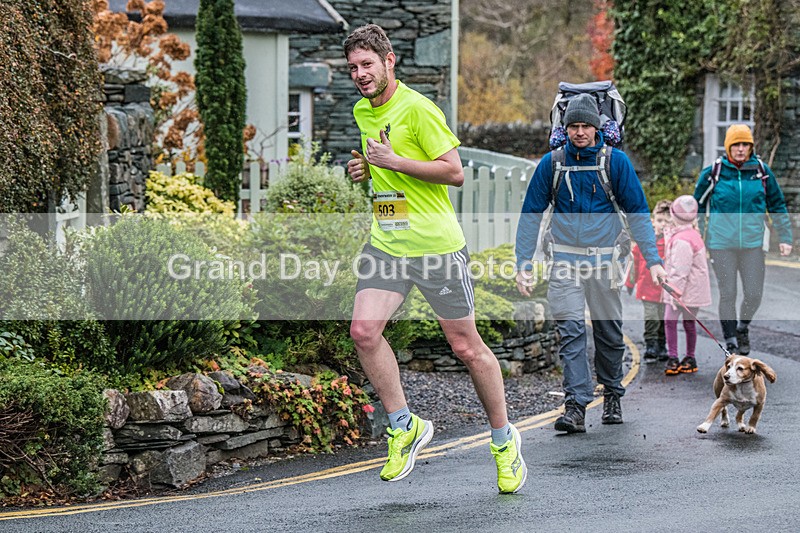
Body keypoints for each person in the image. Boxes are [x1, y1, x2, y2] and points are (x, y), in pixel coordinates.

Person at [344, 24, 526, 493]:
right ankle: (403, 425)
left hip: (435, 247)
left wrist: (393, 163)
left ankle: (504, 441)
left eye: (367, 64)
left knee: (467, 348)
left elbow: (454, 172)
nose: (360, 75)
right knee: (363, 332)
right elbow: (384, 165)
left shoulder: (420, 109)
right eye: (353, 68)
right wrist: (366, 169)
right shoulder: (363, 111)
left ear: (389, 62)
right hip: (387, 240)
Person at [515, 93, 667, 434]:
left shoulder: (616, 163)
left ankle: (612, 393)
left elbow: (639, 213)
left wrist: (653, 261)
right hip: (564, 262)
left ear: (597, 127)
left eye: (586, 126)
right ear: (564, 128)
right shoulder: (551, 164)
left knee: (608, 332)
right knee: (571, 332)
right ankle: (575, 406)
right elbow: (530, 216)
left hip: (605, 263)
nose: (580, 132)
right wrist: (523, 262)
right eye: (574, 126)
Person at [694, 124, 793, 355]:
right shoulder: (714, 172)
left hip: (753, 244)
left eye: (745, 145)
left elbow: (777, 204)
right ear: (728, 146)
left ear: (751, 147)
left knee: (754, 293)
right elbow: (696, 205)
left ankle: (742, 327)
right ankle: (730, 341)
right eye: (736, 144)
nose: (740, 149)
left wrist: (785, 237)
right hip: (721, 244)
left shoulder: (761, 171)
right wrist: (698, 234)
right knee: (728, 293)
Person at [661, 195, 712, 375]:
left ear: (674, 215)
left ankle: (673, 357)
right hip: (695, 289)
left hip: (682, 289)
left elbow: (680, 270)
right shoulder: (692, 234)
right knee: (689, 323)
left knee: (669, 321)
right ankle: (690, 357)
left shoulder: (682, 239)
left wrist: (675, 293)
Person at [626, 199, 670, 363]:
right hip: (647, 288)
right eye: (660, 221)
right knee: (651, 318)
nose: (663, 224)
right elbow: (635, 264)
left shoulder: (672, 244)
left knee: (664, 319)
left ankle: (662, 345)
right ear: (653, 221)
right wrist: (630, 283)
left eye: (667, 221)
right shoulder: (645, 242)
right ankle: (650, 345)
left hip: (666, 291)